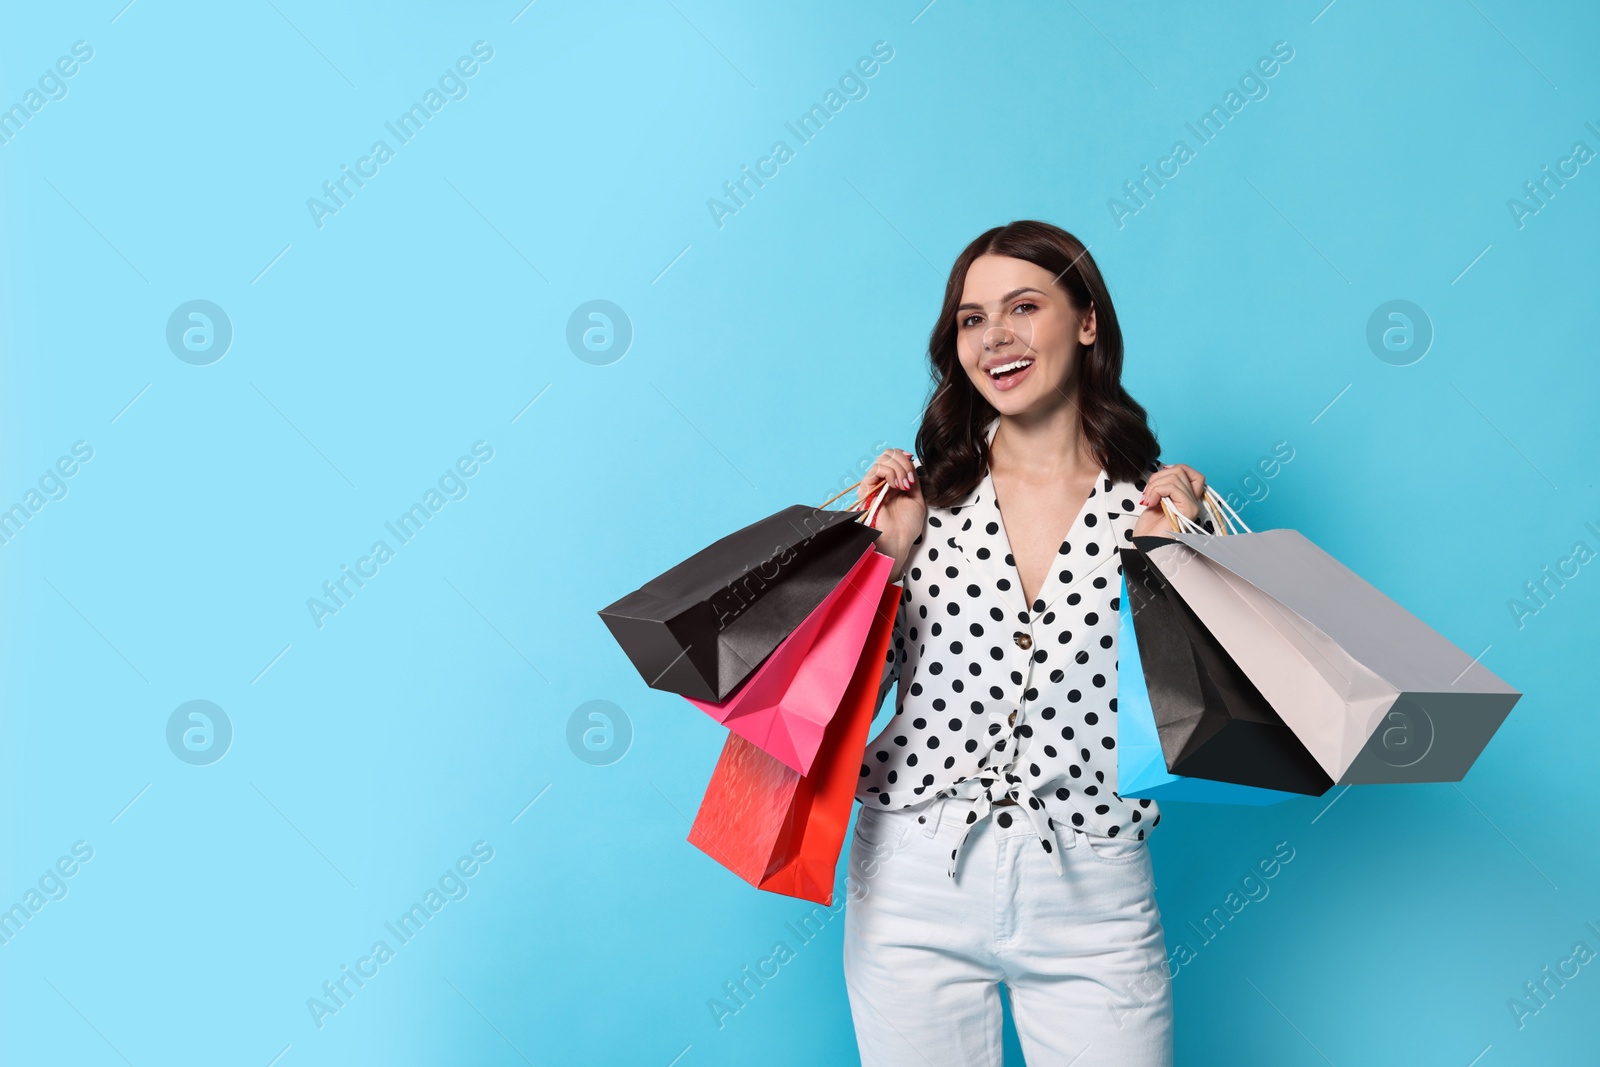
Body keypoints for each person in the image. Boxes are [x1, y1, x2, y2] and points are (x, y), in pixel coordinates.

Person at [842, 220, 1213, 1066]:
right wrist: (884, 561)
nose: (995, 336)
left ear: (1087, 323)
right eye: (972, 319)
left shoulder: (1150, 512)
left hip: (1094, 886)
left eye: (1023, 306)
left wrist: (1188, 558)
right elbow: (839, 696)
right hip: (913, 878)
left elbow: (1194, 713)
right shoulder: (922, 498)